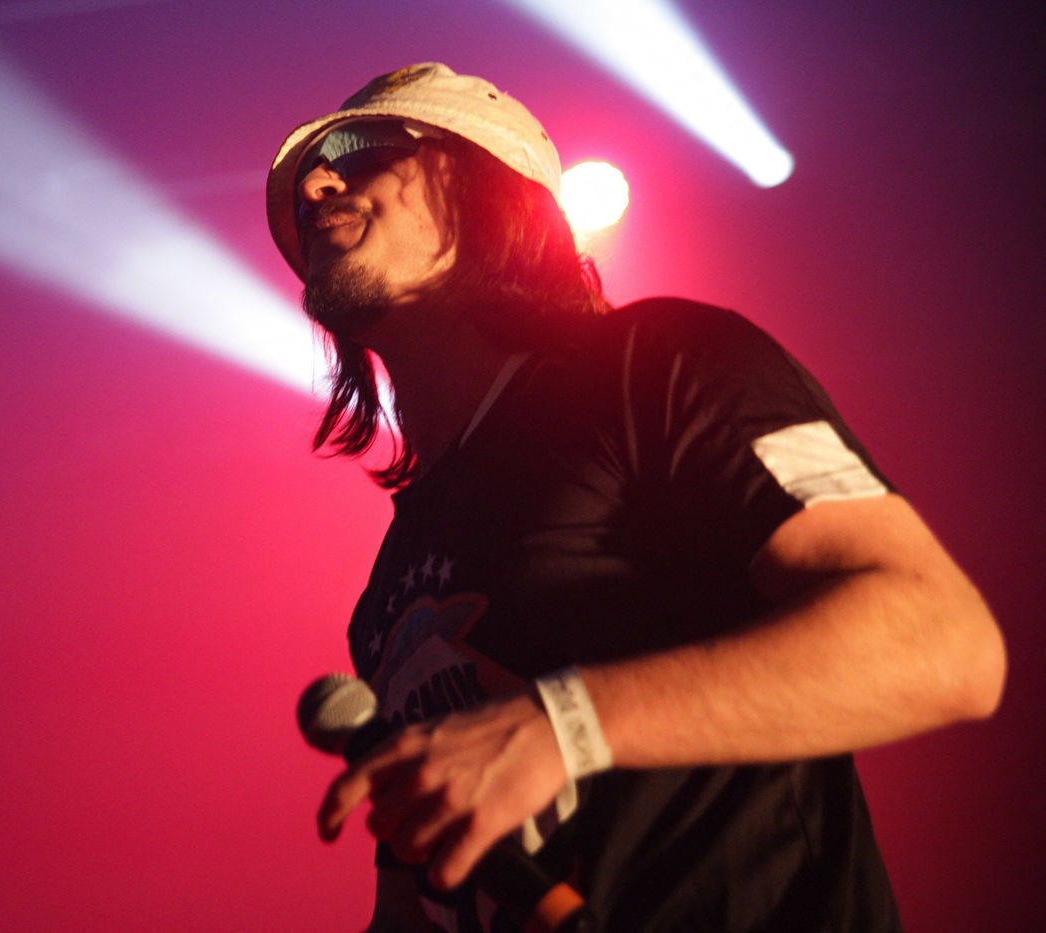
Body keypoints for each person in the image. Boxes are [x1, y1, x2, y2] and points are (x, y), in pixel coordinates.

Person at [265, 63, 1005, 933]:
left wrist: (560, 727)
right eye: (312, 174)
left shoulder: (658, 368)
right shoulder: (390, 585)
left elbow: (943, 639)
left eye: (359, 148)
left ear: (484, 183)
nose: (315, 186)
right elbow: (416, 906)